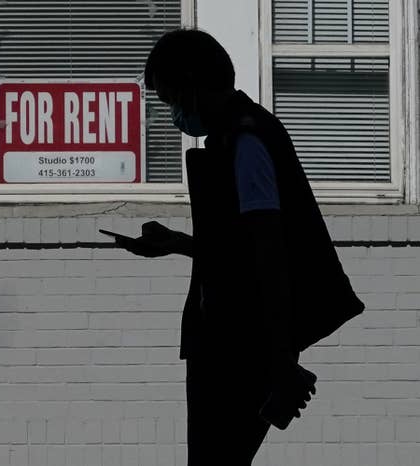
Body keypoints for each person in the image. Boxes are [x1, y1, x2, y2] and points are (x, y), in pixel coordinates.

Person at [111, 28, 364, 465]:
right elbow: (243, 250)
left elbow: (269, 252)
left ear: (191, 84)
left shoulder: (246, 142)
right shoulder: (238, 137)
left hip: (239, 348)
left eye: (170, 98)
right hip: (238, 341)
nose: (172, 113)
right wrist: (177, 243)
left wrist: (280, 360)